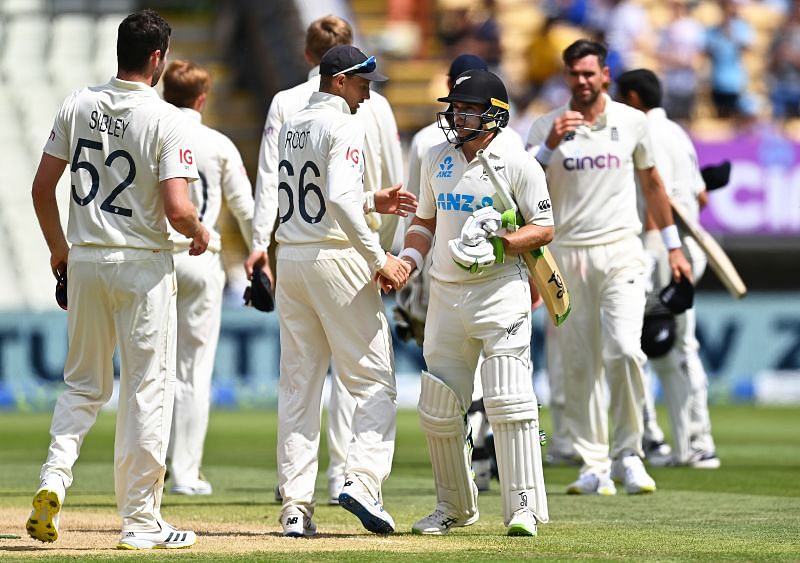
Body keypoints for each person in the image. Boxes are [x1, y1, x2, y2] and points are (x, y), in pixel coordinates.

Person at [26, 9, 209, 549]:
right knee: (147, 390)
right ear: (157, 58)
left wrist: (61, 253)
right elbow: (177, 208)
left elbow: (41, 189)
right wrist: (198, 232)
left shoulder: (78, 103)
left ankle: (53, 480)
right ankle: (140, 521)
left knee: (82, 386)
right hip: (143, 265)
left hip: (85, 259)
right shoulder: (168, 117)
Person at [246, 15, 404, 505]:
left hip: (292, 256)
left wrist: (372, 201)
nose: (367, 94)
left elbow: (297, 189)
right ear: (339, 81)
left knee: (299, 389)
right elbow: (336, 198)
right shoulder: (344, 123)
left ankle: (295, 505)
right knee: (374, 378)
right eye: (362, 84)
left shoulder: (293, 122)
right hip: (338, 259)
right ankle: (361, 479)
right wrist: (380, 257)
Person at [526, 39, 692, 496]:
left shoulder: (633, 122)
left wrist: (674, 248)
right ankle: (593, 463)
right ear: (566, 78)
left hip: (621, 249)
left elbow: (654, 184)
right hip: (566, 255)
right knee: (578, 365)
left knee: (624, 350)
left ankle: (629, 454)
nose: (581, 82)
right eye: (574, 75)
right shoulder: (545, 126)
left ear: (605, 76)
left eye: (589, 74)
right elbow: (524, 194)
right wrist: (550, 146)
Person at [394, 68, 552, 536]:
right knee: (440, 409)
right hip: (444, 294)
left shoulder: (519, 162)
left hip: (501, 289)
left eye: (468, 109)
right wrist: (408, 260)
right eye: (455, 108)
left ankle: (523, 507)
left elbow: (543, 228)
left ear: (496, 116)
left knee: (508, 399)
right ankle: (453, 508)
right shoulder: (433, 157)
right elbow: (424, 221)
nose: (457, 116)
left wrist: (503, 245)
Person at [616, 68, 720, 469]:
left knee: (654, 347)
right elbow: (701, 198)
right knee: (680, 347)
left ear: (633, 98)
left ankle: (673, 442)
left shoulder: (644, 132)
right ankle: (695, 440)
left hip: (659, 249)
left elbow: (654, 194)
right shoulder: (678, 133)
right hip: (685, 248)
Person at [161, 60, 255, 495]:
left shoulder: (153, 132)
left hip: (156, 258)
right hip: (202, 257)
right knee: (193, 373)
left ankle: (150, 467)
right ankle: (184, 473)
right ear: (202, 98)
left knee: (150, 370)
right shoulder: (217, 143)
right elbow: (245, 206)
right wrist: (259, 254)